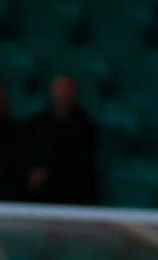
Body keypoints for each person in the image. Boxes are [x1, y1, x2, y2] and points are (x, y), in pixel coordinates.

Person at [23, 75, 100, 205]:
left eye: (67, 90)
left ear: (75, 93)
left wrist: (50, 173)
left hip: (75, 193)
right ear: (52, 91)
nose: (63, 94)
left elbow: (82, 161)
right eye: (59, 89)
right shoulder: (37, 123)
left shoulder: (86, 125)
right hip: (41, 197)